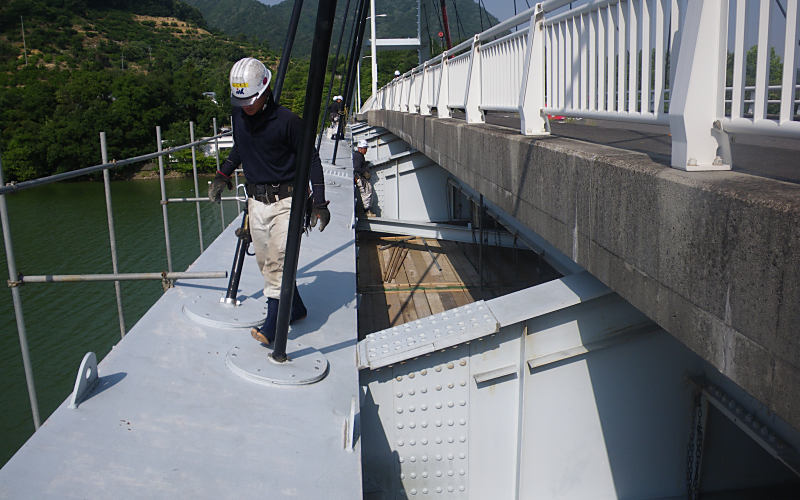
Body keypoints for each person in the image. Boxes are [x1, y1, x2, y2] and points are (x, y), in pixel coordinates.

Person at [208, 57, 331, 346]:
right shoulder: (239, 116)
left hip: (287, 201)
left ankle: (272, 326)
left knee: (278, 262)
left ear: (265, 90)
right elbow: (241, 147)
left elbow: (312, 159)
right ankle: (296, 308)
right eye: (241, 102)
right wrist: (222, 175)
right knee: (266, 263)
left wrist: (320, 203)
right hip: (256, 201)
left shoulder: (289, 122)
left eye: (251, 100)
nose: (247, 107)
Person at [352, 139, 374, 215]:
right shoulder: (359, 156)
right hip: (359, 178)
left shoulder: (358, 155)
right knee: (366, 192)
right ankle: (367, 211)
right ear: (360, 148)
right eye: (365, 148)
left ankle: (367, 210)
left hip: (359, 177)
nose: (366, 150)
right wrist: (364, 173)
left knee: (368, 190)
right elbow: (357, 168)